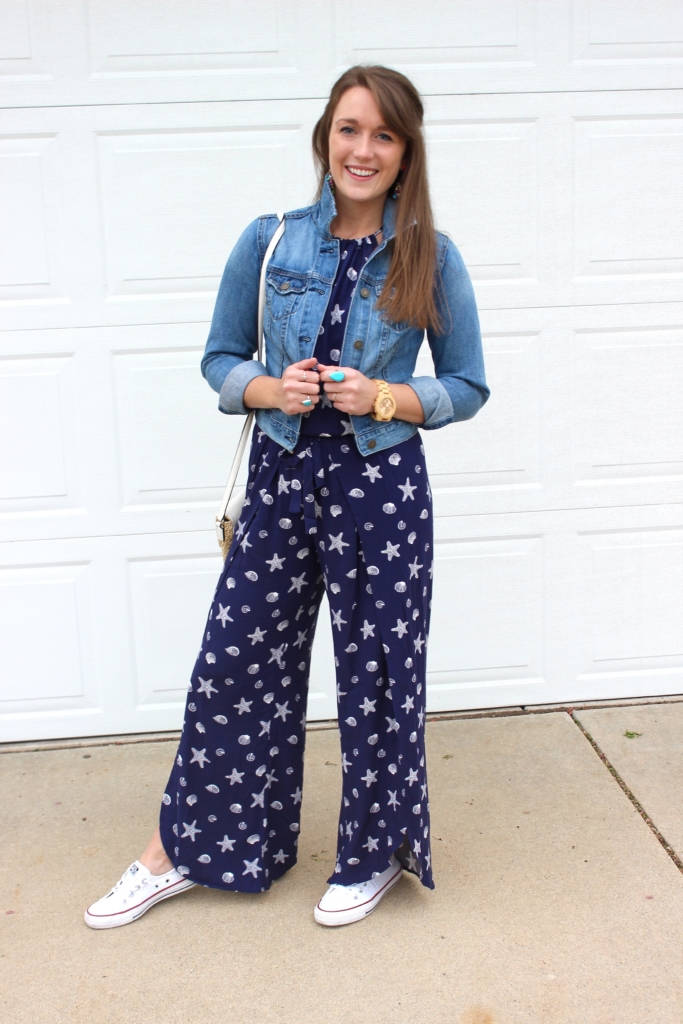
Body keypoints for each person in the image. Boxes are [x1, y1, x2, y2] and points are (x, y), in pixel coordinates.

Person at [85, 64, 488, 930]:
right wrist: (274, 390)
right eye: (350, 129)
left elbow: (467, 386)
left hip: (381, 489)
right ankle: (186, 849)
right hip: (282, 477)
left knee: (378, 676)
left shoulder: (431, 255)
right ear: (324, 137)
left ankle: (371, 855)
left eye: (383, 135)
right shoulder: (268, 241)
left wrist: (381, 396)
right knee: (236, 662)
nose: (363, 149)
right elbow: (220, 360)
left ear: (406, 152)